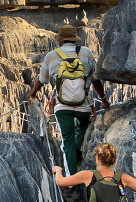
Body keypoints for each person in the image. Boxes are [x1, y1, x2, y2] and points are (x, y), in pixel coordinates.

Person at [25, 25, 106, 177]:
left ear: (60, 42)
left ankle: (72, 183)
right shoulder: (87, 53)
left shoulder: (52, 56)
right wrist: (103, 99)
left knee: (67, 142)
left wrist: (32, 93)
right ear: (75, 40)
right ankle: (77, 149)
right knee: (84, 124)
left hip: (63, 107)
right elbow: (95, 80)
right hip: (84, 105)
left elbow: (41, 80)